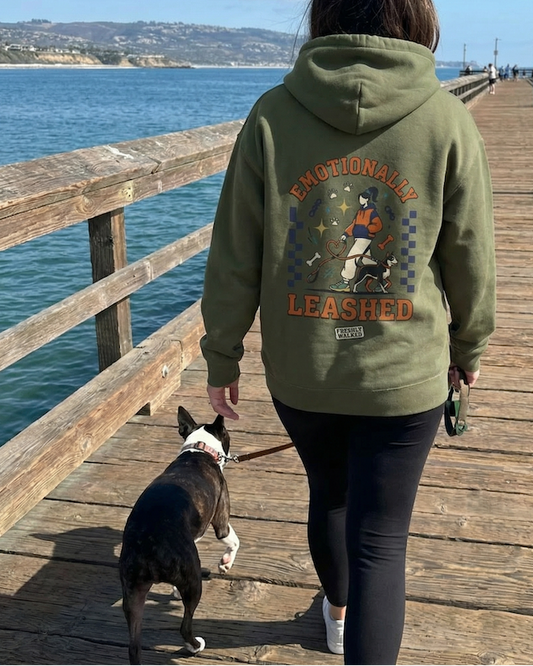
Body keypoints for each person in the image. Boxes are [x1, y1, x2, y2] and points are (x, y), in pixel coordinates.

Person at [200, 0, 496, 664]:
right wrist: (469, 345)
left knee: (329, 497)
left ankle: (336, 616)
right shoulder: (445, 119)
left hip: (302, 372)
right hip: (405, 377)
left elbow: (234, 255)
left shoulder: (272, 115)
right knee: (381, 543)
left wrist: (222, 356)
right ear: (417, 18)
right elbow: (471, 255)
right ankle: (349, 623)